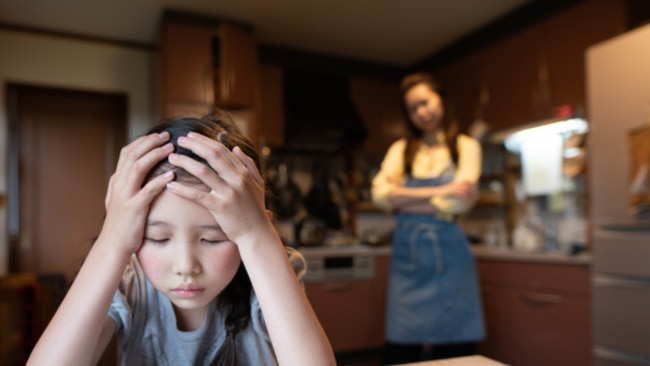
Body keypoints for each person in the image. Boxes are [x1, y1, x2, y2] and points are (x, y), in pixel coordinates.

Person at [27, 112, 336, 366]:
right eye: (159, 238)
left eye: (213, 239)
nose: (186, 266)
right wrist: (112, 241)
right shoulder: (130, 285)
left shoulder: (268, 272)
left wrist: (258, 238)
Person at [371, 72, 485, 364]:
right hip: (408, 260)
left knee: (457, 349)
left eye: (425, 102)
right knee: (400, 348)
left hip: (452, 260)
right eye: (413, 108)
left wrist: (404, 199)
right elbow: (380, 195)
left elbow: (460, 202)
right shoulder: (400, 150)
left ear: (441, 100)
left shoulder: (466, 147)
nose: (422, 112)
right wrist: (444, 189)